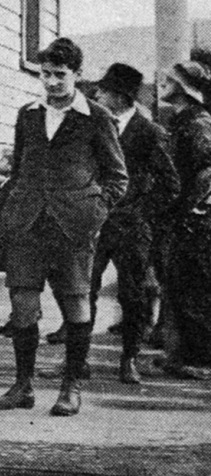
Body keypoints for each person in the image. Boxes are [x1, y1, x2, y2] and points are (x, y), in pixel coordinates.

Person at [0, 37, 127, 417]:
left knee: (76, 305)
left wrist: (91, 213)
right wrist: (14, 208)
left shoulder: (97, 117)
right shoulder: (28, 114)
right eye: (45, 74)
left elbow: (117, 177)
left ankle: (71, 387)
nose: (51, 82)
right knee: (22, 306)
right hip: (27, 225)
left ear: (77, 76)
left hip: (72, 229)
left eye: (60, 75)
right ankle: (23, 386)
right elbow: (19, 169)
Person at [77, 63, 176, 384]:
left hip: (132, 228)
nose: (97, 94)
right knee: (81, 291)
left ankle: (129, 359)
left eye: (103, 91)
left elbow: (170, 184)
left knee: (133, 295)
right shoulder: (89, 125)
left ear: (120, 97)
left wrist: (142, 212)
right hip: (93, 224)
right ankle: (78, 360)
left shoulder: (150, 133)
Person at [156, 59, 211, 379]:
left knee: (195, 288)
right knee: (177, 285)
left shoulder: (198, 123)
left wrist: (193, 209)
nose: (163, 82)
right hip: (183, 218)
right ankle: (181, 354)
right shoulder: (182, 121)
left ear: (183, 88)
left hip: (196, 222)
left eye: (169, 79)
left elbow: (207, 170)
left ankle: (200, 359)